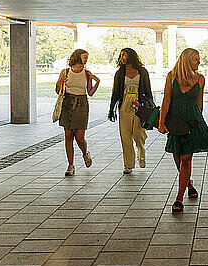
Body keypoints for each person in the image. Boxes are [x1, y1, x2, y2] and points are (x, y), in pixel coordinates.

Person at [159, 48, 208, 213]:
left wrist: (199, 122)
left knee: (186, 159)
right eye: (196, 59)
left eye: (199, 59)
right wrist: (162, 122)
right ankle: (189, 184)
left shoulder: (200, 79)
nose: (199, 62)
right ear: (186, 61)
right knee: (177, 156)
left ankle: (179, 197)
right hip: (175, 121)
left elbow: (200, 103)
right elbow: (166, 100)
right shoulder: (172, 77)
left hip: (192, 122)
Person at [55, 49, 100, 177]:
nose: (86, 59)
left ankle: (85, 153)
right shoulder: (65, 72)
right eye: (84, 57)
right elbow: (58, 90)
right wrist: (60, 82)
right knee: (68, 135)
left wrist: (97, 82)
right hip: (67, 103)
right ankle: (70, 165)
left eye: (87, 57)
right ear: (77, 57)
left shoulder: (86, 73)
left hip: (82, 104)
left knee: (79, 138)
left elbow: (90, 92)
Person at [108, 48, 154, 173]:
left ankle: (141, 154)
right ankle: (128, 164)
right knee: (125, 135)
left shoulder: (142, 71)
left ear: (131, 56)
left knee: (139, 134)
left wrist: (150, 106)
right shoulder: (119, 73)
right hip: (125, 105)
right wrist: (111, 109)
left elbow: (148, 90)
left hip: (140, 105)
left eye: (124, 55)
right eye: (121, 55)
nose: (122, 57)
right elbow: (115, 92)